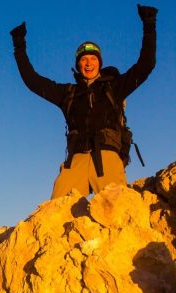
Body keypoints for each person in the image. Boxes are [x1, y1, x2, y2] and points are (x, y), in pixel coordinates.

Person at [10, 5, 157, 199]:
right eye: (84, 59)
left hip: (107, 157)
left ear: (99, 63)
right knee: (56, 214)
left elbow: (145, 65)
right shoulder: (69, 94)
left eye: (93, 59)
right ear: (78, 65)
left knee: (116, 214)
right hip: (75, 161)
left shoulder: (114, 87)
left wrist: (149, 25)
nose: (88, 63)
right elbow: (33, 81)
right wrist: (19, 46)